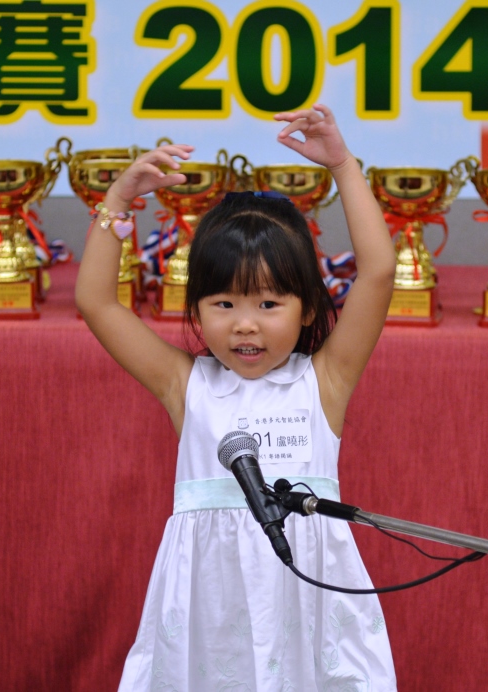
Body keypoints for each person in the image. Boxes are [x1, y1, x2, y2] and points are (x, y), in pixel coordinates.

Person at [76, 104, 397, 691]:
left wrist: (343, 166)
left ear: (307, 310)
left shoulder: (324, 382)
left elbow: (377, 271)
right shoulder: (186, 385)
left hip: (309, 606)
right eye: (224, 304)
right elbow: (97, 302)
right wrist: (116, 202)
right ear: (196, 310)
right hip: (210, 613)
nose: (245, 324)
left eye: (269, 304)